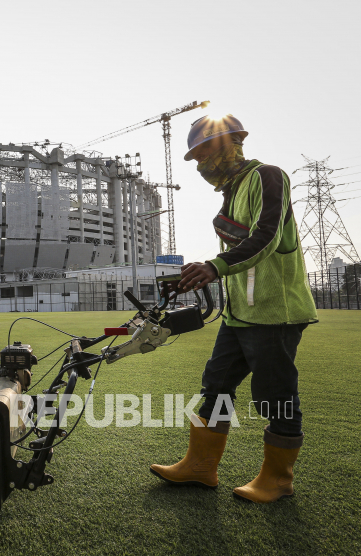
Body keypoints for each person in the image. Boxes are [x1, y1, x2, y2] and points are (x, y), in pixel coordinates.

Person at [149, 115, 318, 503]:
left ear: (233, 141)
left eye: (204, 150)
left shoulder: (267, 176)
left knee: (277, 396)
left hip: (276, 312)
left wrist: (213, 267)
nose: (199, 163)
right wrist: (202, 273)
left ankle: (278, 481)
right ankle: (200, 467)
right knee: (216, 384)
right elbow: (237, 252)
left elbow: (268, 236)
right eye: (194, 157)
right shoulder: (231, 192)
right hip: (240, 314)